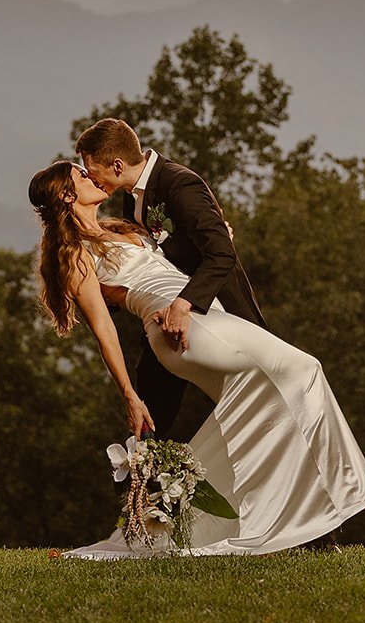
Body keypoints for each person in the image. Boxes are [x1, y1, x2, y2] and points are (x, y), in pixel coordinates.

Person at [28, 158, 365, 558]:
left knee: (269, 406)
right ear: (67, 196)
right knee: (305, 368)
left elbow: (181, 263)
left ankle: (291, 521)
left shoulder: (117, 228)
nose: (92, 177)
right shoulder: (73, 254)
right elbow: (104, 328)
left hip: (202, 311)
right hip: (182, 327)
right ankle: (354, 490)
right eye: (81, 176)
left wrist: (218, 237)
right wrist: (130, 396)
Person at [74, 118, 263, 441]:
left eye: (92, 170)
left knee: (258, 405)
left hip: (214, 306)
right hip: (164, 314)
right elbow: (150, 257)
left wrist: (184, 302)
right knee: (152, 409)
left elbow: (220, 254)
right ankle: (143, 480)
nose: (92, 178)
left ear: (117, 165)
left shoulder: (179, 184)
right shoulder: (131, 198)